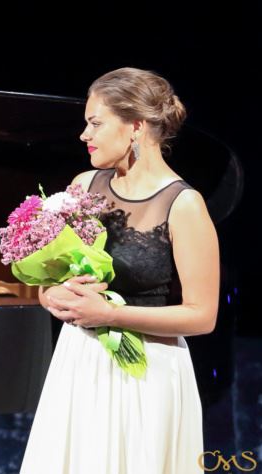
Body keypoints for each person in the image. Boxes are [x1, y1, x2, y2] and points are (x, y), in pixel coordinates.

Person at [20, 67, 219, 474]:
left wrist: (111, 315)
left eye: (95, 123)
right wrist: (52, 295)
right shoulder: (83, 185)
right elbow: (51, 282)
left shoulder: (184, 205)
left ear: (135, 127)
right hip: (79, 364)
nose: (84, 135)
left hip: (149, 375)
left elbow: (202, 315)